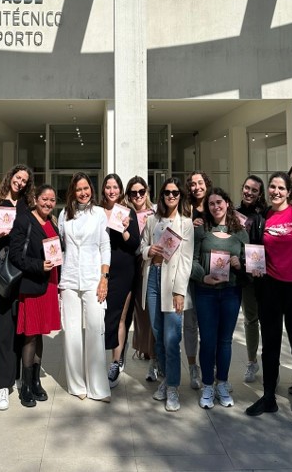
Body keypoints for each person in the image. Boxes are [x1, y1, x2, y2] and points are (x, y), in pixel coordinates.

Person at [245, 171, 292, 417]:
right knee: (270, 344)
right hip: (269, 290)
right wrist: (253, 269)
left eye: (281, 188)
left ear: (289, 192)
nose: (276, 192)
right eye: (272, 187)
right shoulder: (261, 218)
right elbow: (254, 250)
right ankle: (268, 397)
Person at [191, 188, 249, 409]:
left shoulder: (240, 233)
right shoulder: (201, 230)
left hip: (231, 292)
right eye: (211, 204)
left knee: (225, 341)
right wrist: (203, 276)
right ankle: (208, 385)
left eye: (219, 202)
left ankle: (222, 383)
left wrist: (239, 264)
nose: (216, 207)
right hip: (205, 292)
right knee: (207, 340)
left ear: (227, 203)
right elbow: (192, 261)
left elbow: (251, 263)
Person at [140, 177, 194, 412]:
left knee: (172, 339)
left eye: (175, 192)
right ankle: (164, 378)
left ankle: (173, 387)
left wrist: (179, 291)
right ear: (161, 195)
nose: (171, 196)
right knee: (158, 334)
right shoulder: (153, 220)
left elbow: (186, 260)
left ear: (180, 196)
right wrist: (148, 251)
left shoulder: (186, 224)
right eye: (167, 192)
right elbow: (141, 246)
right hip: (153, 277)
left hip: (172, 283)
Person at [58, 172, 111, 401]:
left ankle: (98, 388)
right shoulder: (64, 214)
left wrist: (104, 278)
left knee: (95, 331)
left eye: (86, 188)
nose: (83, 192)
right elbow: (60, 246)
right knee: (71, 334)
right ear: (73, 191)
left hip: (93, 279)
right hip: (69, 279)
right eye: (79, 189)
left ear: (91, 189)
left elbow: (105, 247)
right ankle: (77, 385)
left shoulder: (99, 214)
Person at [0, 164, 34, 410]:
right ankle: (3, 385)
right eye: (18, 178)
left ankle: (16, 375)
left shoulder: (28, 205)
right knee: (4, 323)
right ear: (11, 177)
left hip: (24, 269)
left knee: (22, 324)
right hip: (4, 268)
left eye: (25, 180)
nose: (21, 183)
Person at [9, 184, 62, 408]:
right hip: (32, 285)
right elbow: (14, 255)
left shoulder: (53, 222)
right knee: (30, 335)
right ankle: (26, 387)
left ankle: (35, 381)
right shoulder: (23, 220)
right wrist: (39, 265)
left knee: (40, 333)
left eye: (52, 200)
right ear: (36, 199)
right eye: (44, 199)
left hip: (49, 285)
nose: (48, 203)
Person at [100, 174, 141, 388]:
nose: (111, 191)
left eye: (115, 187)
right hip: (101, 271)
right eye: (108, 187)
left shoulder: (128, 213)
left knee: (120, 318)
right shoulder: (96, 212)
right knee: (101, 316)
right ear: (103, 189)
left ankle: (115, 362)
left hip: (124, 271)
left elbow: (135, 245)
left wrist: (125, 229)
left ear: (120, 190)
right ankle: (98, 361)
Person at [125, 176, 158, 381]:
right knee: (140, 312)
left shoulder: (155, 212)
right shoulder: (125, 214)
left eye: (141, 192)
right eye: (133, 193)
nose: (138, 196)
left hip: (151, 265)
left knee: (152, 312)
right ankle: (144, 349)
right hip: (132, 266)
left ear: (146, 192)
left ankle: (155, 356)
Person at [236, 175, 266, 383]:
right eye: (247, 188)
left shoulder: (266, 215)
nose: (249, 192)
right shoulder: (233, 214)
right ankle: (251, 361)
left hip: (262, 275)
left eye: (254, 190)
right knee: (250, 319)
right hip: (239, 274)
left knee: (266, 320)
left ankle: (269, 360)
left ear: (260, 194)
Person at [185, 170, 213, 390]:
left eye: (200, 183)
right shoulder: (186, 209)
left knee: (209, 325)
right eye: (193, 184)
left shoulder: (216, 206)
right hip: (190, 275)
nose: (197, 187)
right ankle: (193, 367)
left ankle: (210, 369)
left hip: (214, 276)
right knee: (190, 323)